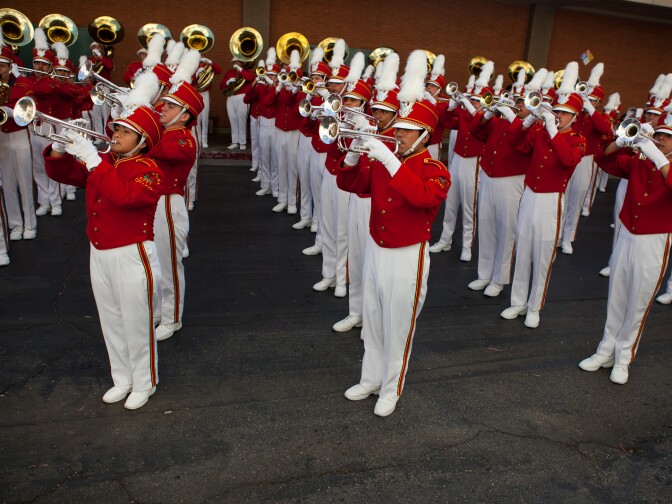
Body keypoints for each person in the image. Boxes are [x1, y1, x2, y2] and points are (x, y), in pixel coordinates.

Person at [338, 50, 450, 417]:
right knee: (372, 318)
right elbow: (351, 184)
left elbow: (421, 198)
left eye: (404, 130)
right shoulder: (390, 159)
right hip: (378, 248)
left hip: (408, 253)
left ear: (423, 135)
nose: (395, 133)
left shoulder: (434, 168)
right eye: (397, 128)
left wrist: (388, 159)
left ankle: (391, 387)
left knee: (398, 323)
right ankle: (371, 377)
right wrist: (354, 155)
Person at [44, 72, 164, 410]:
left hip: (132, 252)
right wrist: (59, 147)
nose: (116, 134)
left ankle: (145, 381)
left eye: (125, 132)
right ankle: (122, 378)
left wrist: (93, 158)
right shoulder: (106, 163)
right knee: (110, 318)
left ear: (142, 140)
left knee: (136, 321)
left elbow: (124, 196)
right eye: (117, 128)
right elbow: (62, 173)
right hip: (100, 252)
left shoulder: (150, 169)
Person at [578, 120, 672, 384]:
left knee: (638, 302)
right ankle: (605, 350)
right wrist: (621, 142)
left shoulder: (661, 164)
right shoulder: (639, 162)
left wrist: (657, 159)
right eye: (660, 135)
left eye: (667, 137)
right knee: (616, 295)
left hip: (654, 240)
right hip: (627, 234)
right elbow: (602, 160)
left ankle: (623, 358)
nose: (660, 139)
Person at [500, 62, 586, 329]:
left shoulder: (576, 139)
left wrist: (551, 128)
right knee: (523, 247)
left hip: (551, 200)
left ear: (574, 117)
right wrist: (527, 121)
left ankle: (534, 305)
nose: (558, 115)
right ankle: (517, 302)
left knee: (543, 253)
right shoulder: (539, 131)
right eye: (556, 111)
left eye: (564, 113)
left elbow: (568, 159)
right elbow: (515, 143)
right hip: (529, 195)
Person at [466, 69, 545, 297]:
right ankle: (484, 273)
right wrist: (489, 113)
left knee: (506, 229)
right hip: (488, 177)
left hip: (511, 181)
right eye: (515, 100)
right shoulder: (500, 120)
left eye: (522, 102)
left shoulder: (535, 127)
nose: (517, 105)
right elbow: (475, 132)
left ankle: (499, 278)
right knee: (487, 226)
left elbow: (523, 145)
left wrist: (512, 118)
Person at [150, 50, 203, 341]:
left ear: (184, 114)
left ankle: (172, 317)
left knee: (169, 264)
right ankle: (159, 310)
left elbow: (156, 149)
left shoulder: (182, 138)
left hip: (168, 205)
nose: (162, 109)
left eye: (169, 107)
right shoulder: (163, 131)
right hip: (151, 203)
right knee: (154, 262)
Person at [429, 61, 492, 262]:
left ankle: (467, 245)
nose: (472, 103)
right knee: (451, 201)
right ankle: (445, 239)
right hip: (458, 160)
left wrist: (472, 110)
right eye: (471, 99)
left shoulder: (486, 117)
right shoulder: (465, 114)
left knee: (468, 206)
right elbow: (445, 122)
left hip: (473, 162)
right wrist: (451, 107)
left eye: (477, 100)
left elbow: (479, 126)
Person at [559, 63, 612, 254]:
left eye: (594, 100)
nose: (590, 101)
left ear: (598, 101)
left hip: (585, 160)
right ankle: (558, 234)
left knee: (577, 198)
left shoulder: (599, 117)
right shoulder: (577, 114)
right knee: (562, 197)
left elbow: (606, 130)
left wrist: (590, 108)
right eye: (588, 98)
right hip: (567, 157)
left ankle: (568, 237)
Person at [0, 38, 35, 242]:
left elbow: (30, 109)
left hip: (20, 135)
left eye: (3, 66)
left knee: (24, 180)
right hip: (2, 137)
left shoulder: (23, 83)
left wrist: (10, 112)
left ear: (10, 66)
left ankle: (30, 223)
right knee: (9, 182)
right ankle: (15, 224)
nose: (0, 70)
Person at [221, 58, 255, 150]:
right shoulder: (229, 72)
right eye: (235, 62)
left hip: (242, 97)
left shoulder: (246, 71)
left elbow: (250, 78)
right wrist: (227, 82)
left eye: (238, 61)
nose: (236, 63)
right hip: (231, 97)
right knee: (233, 119)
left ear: (242, 62)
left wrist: (240, 70)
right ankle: (235, 141)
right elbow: (222, 85)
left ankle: (242, 142)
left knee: (242, 120)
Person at [195, 55, 221, 148]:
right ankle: (198, 139)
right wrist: (197, 73)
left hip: (205, 92)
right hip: (195, 92)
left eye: (203, 55)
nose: (201, 57)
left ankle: (204, 140)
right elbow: (189, 79)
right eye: (200, 55)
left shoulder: (208, 66)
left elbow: (219, 71)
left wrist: (210, 61)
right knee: (197, 118)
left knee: (205, 117)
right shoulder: (193, 65)